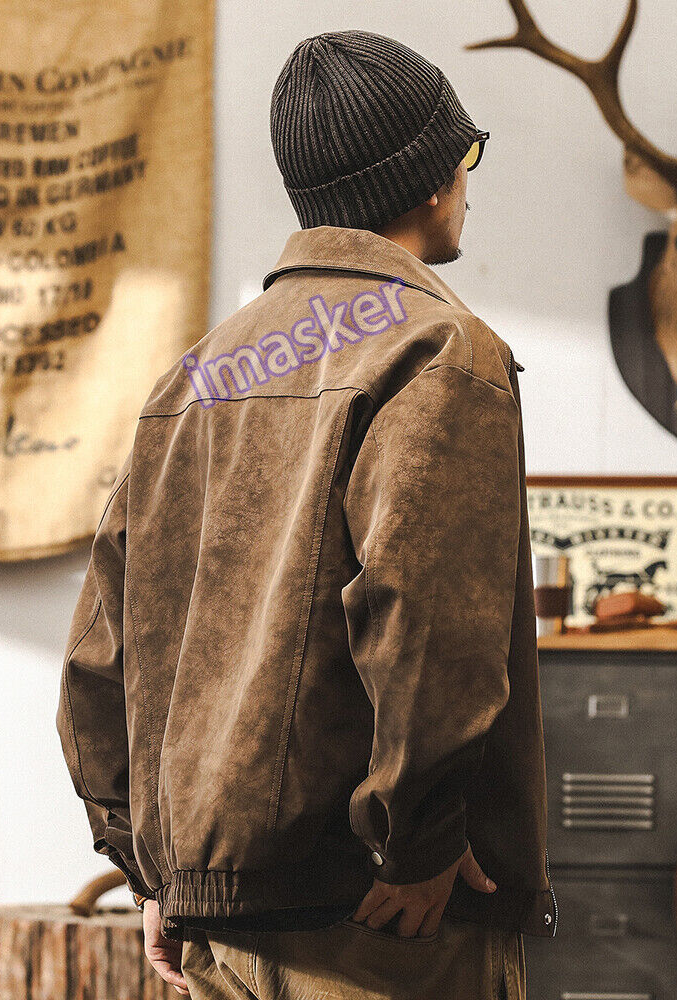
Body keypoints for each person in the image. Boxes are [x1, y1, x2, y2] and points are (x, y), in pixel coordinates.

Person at [56, 29, 556, 1000]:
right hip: (380, 925)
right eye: (466, 154)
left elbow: (101, 649)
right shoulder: (439, 348)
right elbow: (428, 622)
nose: (468, 179)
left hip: (217, 924)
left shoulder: (199, 374)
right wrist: (420, 842)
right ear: (429, 179)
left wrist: (153, 867)